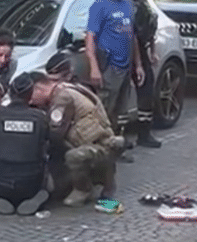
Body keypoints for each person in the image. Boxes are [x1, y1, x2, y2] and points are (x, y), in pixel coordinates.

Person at [29, 72, 126, 207]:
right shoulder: (67, 88)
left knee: (72, 156)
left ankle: (83, 189)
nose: (30, 101)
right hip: (101, 142)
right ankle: (104, 176)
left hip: (96, 146)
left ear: (38, 89)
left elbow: (55, 133)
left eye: (31, 96)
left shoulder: (62, 98)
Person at [0, 73, 51, 215]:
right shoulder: (41, 119)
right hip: (30, 184)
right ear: (30, 95)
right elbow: (49, 145)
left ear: (10, 93)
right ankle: (40, 195)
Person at [85, 0, 145, 150]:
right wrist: (94, 67)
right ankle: (99, 146)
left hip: (125, 66)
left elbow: (132, 35)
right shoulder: (100, 6)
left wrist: (138, 64)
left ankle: (116, 145)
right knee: (104, 109)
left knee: (121, 110)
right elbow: (90, 38)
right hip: (109, 65)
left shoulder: (128, 4)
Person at [120, 0, 162, 148]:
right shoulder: (121, 0)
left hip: (142, 49)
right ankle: (119, 138)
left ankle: (144, 133)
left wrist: (152, 51)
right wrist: (137, 64)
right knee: (121, 93)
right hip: (124, 50)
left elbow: (151, 22)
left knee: (147, 88)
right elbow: (132, 34)